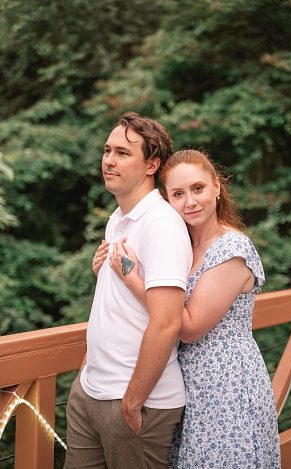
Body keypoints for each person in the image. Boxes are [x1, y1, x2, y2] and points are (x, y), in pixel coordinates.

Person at [101, 149, 282, 467]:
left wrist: (132, 278)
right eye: (178, 194)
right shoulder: (179, 243)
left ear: (216, 187)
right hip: (186, 385)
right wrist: (103, 268)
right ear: (167, 200)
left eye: (198, 189)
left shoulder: (231, 248)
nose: (190, 202)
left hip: (227, 390)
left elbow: (189, 327)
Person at [68, 112, 192, 468]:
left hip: (135, 401)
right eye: (107, 150)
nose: (109, 160)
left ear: (152, 164)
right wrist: (84, 374)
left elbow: (168, 322)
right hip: (90, 390)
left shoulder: (162, 224)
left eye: (123, 153)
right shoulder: (117, 219)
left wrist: (132, 401)